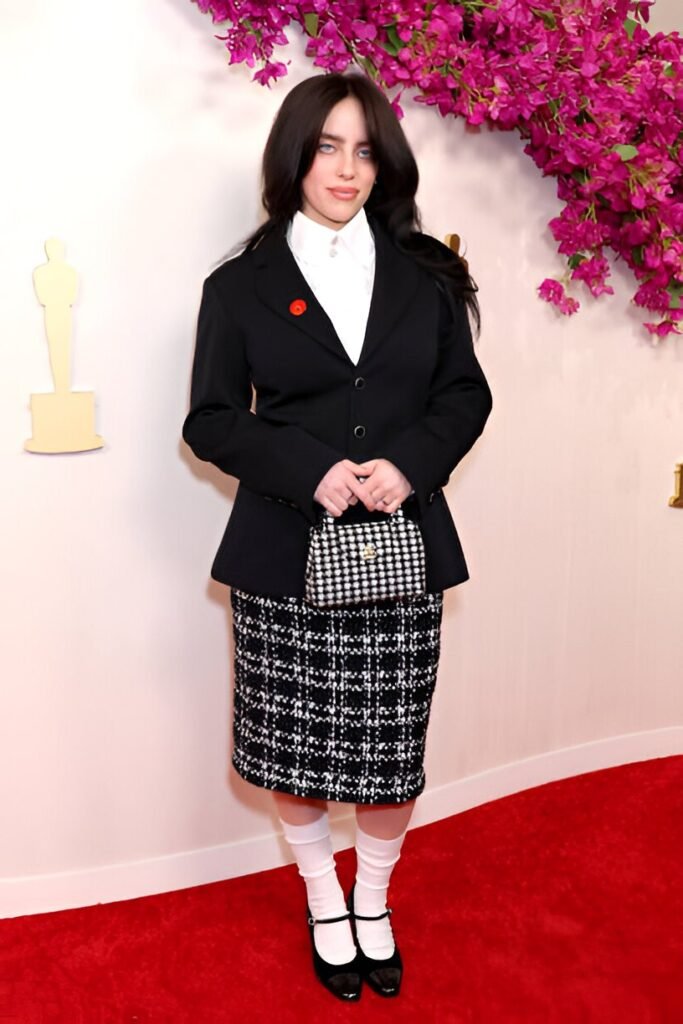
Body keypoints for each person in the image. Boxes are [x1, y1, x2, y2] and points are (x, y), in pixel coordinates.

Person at [182, 71, 492, 1002]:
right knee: (294, 752)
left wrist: (408, 463)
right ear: (293, 155)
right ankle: (324, 897)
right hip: (283, 552)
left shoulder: (428, 272)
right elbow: (208, 421)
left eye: (364, 150)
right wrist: (305, 467)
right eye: (326, 147)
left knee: (389, 753)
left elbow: (463, 395)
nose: (346, 170)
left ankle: (376, 902)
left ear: (384, 161)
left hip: (400, 548)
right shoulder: (238, 287)